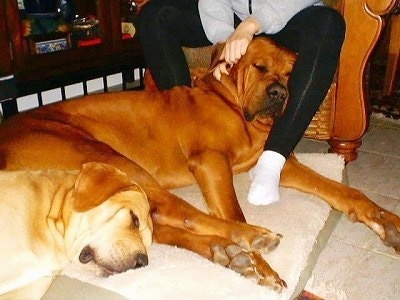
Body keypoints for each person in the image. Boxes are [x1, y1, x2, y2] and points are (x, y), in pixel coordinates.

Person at [138, 0, 345, 205]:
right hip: (234, 19)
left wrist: (252, 25)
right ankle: (183, 124)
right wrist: (227, 43)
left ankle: (271, 160)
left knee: (329, 22)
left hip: (288, 17)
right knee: (154, 15)